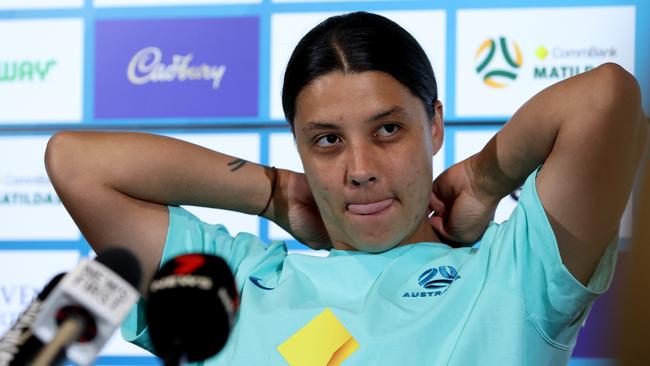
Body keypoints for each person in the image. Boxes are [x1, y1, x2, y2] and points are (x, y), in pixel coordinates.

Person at [45, 11, 646, 365]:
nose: (359, 168)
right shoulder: (234, 282)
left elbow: (606, 100)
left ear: (434, 125)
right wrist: (277, 194)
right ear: (299, 148)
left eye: (388, 129)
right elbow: (76, 163)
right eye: (327, 141)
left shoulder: (513, 274)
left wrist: (485, 177)